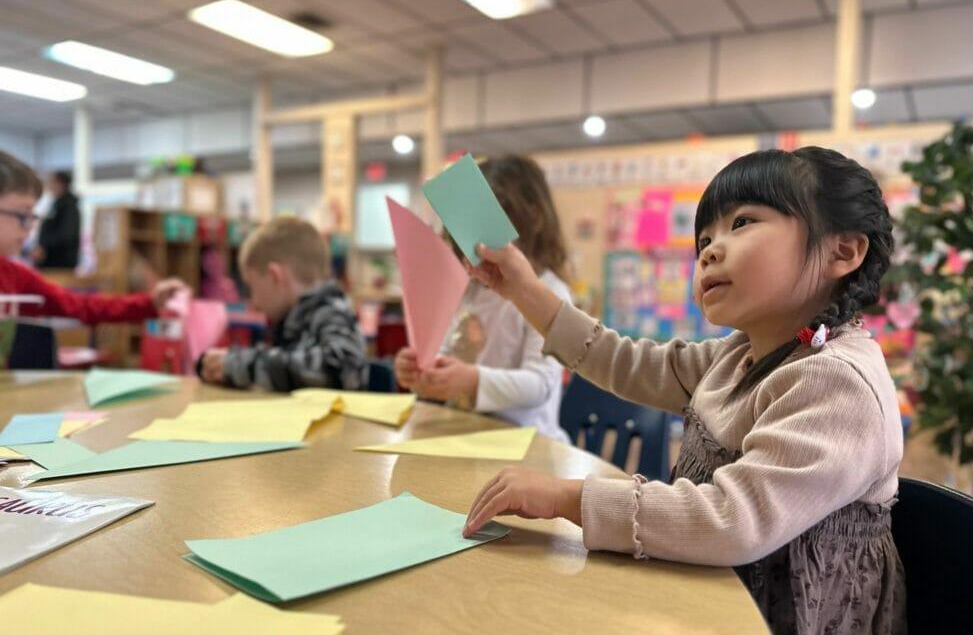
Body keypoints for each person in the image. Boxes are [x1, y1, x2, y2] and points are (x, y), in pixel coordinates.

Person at [461, 147, 907, 635]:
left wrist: (568, 498)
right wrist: (523, 287)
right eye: (704, 240)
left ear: (843, 250)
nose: (711, 250)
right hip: (714, 604)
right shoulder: (739, 355)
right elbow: (623, 360)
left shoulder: (838, 382)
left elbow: (733, 519)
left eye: (742, 223)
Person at [394, 155, 572, 442]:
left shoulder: (550, 293)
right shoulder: (470, 290)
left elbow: (541, 384)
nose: (476, 245)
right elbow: (449, 353)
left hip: (530, 444)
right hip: (466, 436)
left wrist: (473, 381)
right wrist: (424, 370)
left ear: (534, 218)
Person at [0, 151, 182, 322]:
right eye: (22, 215)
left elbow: (81, 305)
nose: (30, 227)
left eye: (32, 217)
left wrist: (151, 302)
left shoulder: (14, 276)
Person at [199, 215, 368, 392]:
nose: (254, 303)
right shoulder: (290, 322)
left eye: (252, 288)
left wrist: (245, 367)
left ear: (275, 277)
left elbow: (344, 369)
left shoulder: (331, 312)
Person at [34, 170, 81, 269]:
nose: (49, 185)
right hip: (51, 259)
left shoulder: (69, 206)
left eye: (52, 182)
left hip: (60, 261)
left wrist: (45, 246)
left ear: (61, 184)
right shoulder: (57, 203)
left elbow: (67, 235)